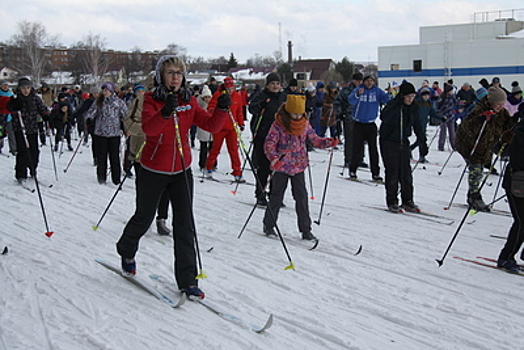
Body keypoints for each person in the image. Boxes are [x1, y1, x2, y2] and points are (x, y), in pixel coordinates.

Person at [116, 55, 230, 299]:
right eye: (170, 72)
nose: (175, 76)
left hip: (181, 171)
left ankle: (187, 280)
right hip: (152, 169)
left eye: (179, 72)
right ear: (161, 76)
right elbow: (149, 129)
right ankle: (126, 250)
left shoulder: (188, 102)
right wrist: (165, 111)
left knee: (185, 224)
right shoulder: (149, 99)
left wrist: (220, 109)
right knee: (144, 217)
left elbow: (210, 126)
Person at [262, 94, 338, 240]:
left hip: (298, 166)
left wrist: (329, 142)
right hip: (281, 166)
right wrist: (274, 158)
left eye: (299, 113)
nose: (297, 116)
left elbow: (315, 140)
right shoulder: (278, 124)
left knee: (302, 198)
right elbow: (269, 144)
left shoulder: (304, 124)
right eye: (294, 113)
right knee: (276, 197)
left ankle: (305, 230)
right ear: (287, 111)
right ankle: (269, 225)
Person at [455, 86, 517, 212]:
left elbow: (507, 126)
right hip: (470, 146)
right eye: (498, 104)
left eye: (502, 104)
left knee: (480, 168)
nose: (500, 106)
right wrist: (482, 119)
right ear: (491, 101)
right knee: (476, 170)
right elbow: (467, 127)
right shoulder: (479, 110)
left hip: (486, 146)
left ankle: (474, 194)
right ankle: (474, 196)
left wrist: (515, 119)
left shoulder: (502, 113)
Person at [123, 82, 171, 236]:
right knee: (143, 188)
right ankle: (142, 217)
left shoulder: (169, 100)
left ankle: (161, 219)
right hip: (140, 149)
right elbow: (129, 122)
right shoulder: (139, 102)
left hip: (162, 152)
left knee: (165, 189)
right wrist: (146, 130)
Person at [379, 82, 426, 212]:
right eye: (408, 96)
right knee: (393, 171)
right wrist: (396, 107)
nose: (410, 99)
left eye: (412, 96)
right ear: (402, 96)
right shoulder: (393, 105)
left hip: (403, 141)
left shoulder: (414, 107)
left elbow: (418, 124)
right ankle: (392, 200)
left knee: (406, 172)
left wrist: (423, 141)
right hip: (388, 141)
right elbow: (384, 117)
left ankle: (408, 200)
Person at [248, 72, 287, 206]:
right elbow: (252, 108)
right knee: (264, 167)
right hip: (263, 135)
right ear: (268, 85)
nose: (275, 86)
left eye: (277, 83)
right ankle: (260, 194)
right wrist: (261, 105)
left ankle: (274, 195)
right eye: (272, 84)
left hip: (280, 137)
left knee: (277, 167)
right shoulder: (262, 96)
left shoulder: (283, 97)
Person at [497, 104, 524, 272]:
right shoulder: (518, 132)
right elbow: (499, 151)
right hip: (517, 181)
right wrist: (504, 141)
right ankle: (505, 257)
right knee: (521, 222)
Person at [6, 77, 49, 183]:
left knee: (34, 151)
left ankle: (33, 170)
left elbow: (42, 108)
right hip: (20, 129)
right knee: (23, 152)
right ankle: (21, 174)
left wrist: (46, 115)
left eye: (28, 88)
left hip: (33, 128)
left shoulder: (35, 98)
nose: (26, 90)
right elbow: (9, 108)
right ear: (19, 89)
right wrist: (14, 107)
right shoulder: (15, 98)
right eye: (23, 88)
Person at [348, 75, 390, 181]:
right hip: (358, 123)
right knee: (357, 149)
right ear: (364, 81)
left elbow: (386, 99)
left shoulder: (377, 91)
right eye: (367, 81)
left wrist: (390, 93)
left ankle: (375, 173)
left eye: (371, 81)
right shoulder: (359, 89)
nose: (369, 83)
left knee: (373, 150)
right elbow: (351, 100)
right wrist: (358, 95)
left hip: (371, 124)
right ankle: (352, 170)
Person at [85, 81, 128, 185]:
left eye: (107, 90)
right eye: (103, 90)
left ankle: (116, 179)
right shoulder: (99, 102)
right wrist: (89, 119)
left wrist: (126, 126)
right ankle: (101, 177)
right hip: (101, 133)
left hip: (114, 134)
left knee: (114, 157)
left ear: (112, 91)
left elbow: (125, 115)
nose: (105, 92)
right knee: (102, 157)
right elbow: (91, 112)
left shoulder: (118, 102)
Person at [205, 77, 245, 182]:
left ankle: (237, 172)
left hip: (231, 127)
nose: (231, 90)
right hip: (219, 127)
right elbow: (210, 108)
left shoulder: (237, 96)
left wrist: (241, 123)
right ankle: (209, 168)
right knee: (215, 149)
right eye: (229, 88)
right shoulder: (218, 95)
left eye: (232, 88)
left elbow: (239, 111)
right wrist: (213, 110)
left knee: (234, 150)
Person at [334, 72, 364, 168]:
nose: (359, 83)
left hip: (361, 118)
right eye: (357, 81)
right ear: (353, 81)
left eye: (360, 81)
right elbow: (337, 102)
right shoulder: (346, 90)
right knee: (350, 139)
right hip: (349, 117)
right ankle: (349, 159)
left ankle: (359, 159)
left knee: (360, 139)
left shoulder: (365, 90)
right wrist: (339, 113)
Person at [411, 88, 445, 162]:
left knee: (421, 140)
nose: (426, 97)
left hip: (424, 123)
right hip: (417, 123)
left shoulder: (429, 103)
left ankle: (410, 149)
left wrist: (441, 118)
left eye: (428, 95)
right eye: (425, 95)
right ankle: (421, 156)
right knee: (421, 139)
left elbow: (432, 113)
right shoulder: (417, 102)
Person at [195, 85, 213, 171]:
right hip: (203, 129)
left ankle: (212, 163)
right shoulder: (200, 105)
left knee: (212, 148)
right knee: (203, 147)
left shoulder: (213, 105)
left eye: (209, 97)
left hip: (212, 129)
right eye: (205, 97)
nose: (207, 99)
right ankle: (202, 163)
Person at [437, 84, 458, 151]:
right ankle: (441, 145)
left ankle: (454, 146)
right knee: (443, 132)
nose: (452, 92)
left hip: (451, 116)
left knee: (452, 132)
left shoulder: (452, 97)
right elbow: (438, 106)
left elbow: (456, 104)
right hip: (443, 117)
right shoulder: (442, 97)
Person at [0, 80, 16, 156]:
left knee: (11, 134)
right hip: (1, 117)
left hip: (9, 117)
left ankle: (13, 149)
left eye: (7, 85)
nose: (5, 87)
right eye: (4, 85)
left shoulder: (11, 95)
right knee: (1, 133)